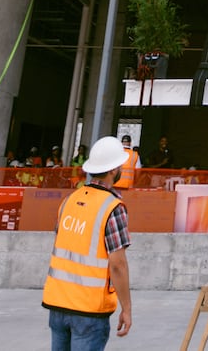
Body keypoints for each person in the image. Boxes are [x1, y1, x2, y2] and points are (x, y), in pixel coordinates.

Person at [43, 135, 132, 349]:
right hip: (89, 310)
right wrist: (126, 308)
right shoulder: (112, 207)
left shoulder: (69, 201)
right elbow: (117, 264)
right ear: (113, 170)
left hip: (58, 304)